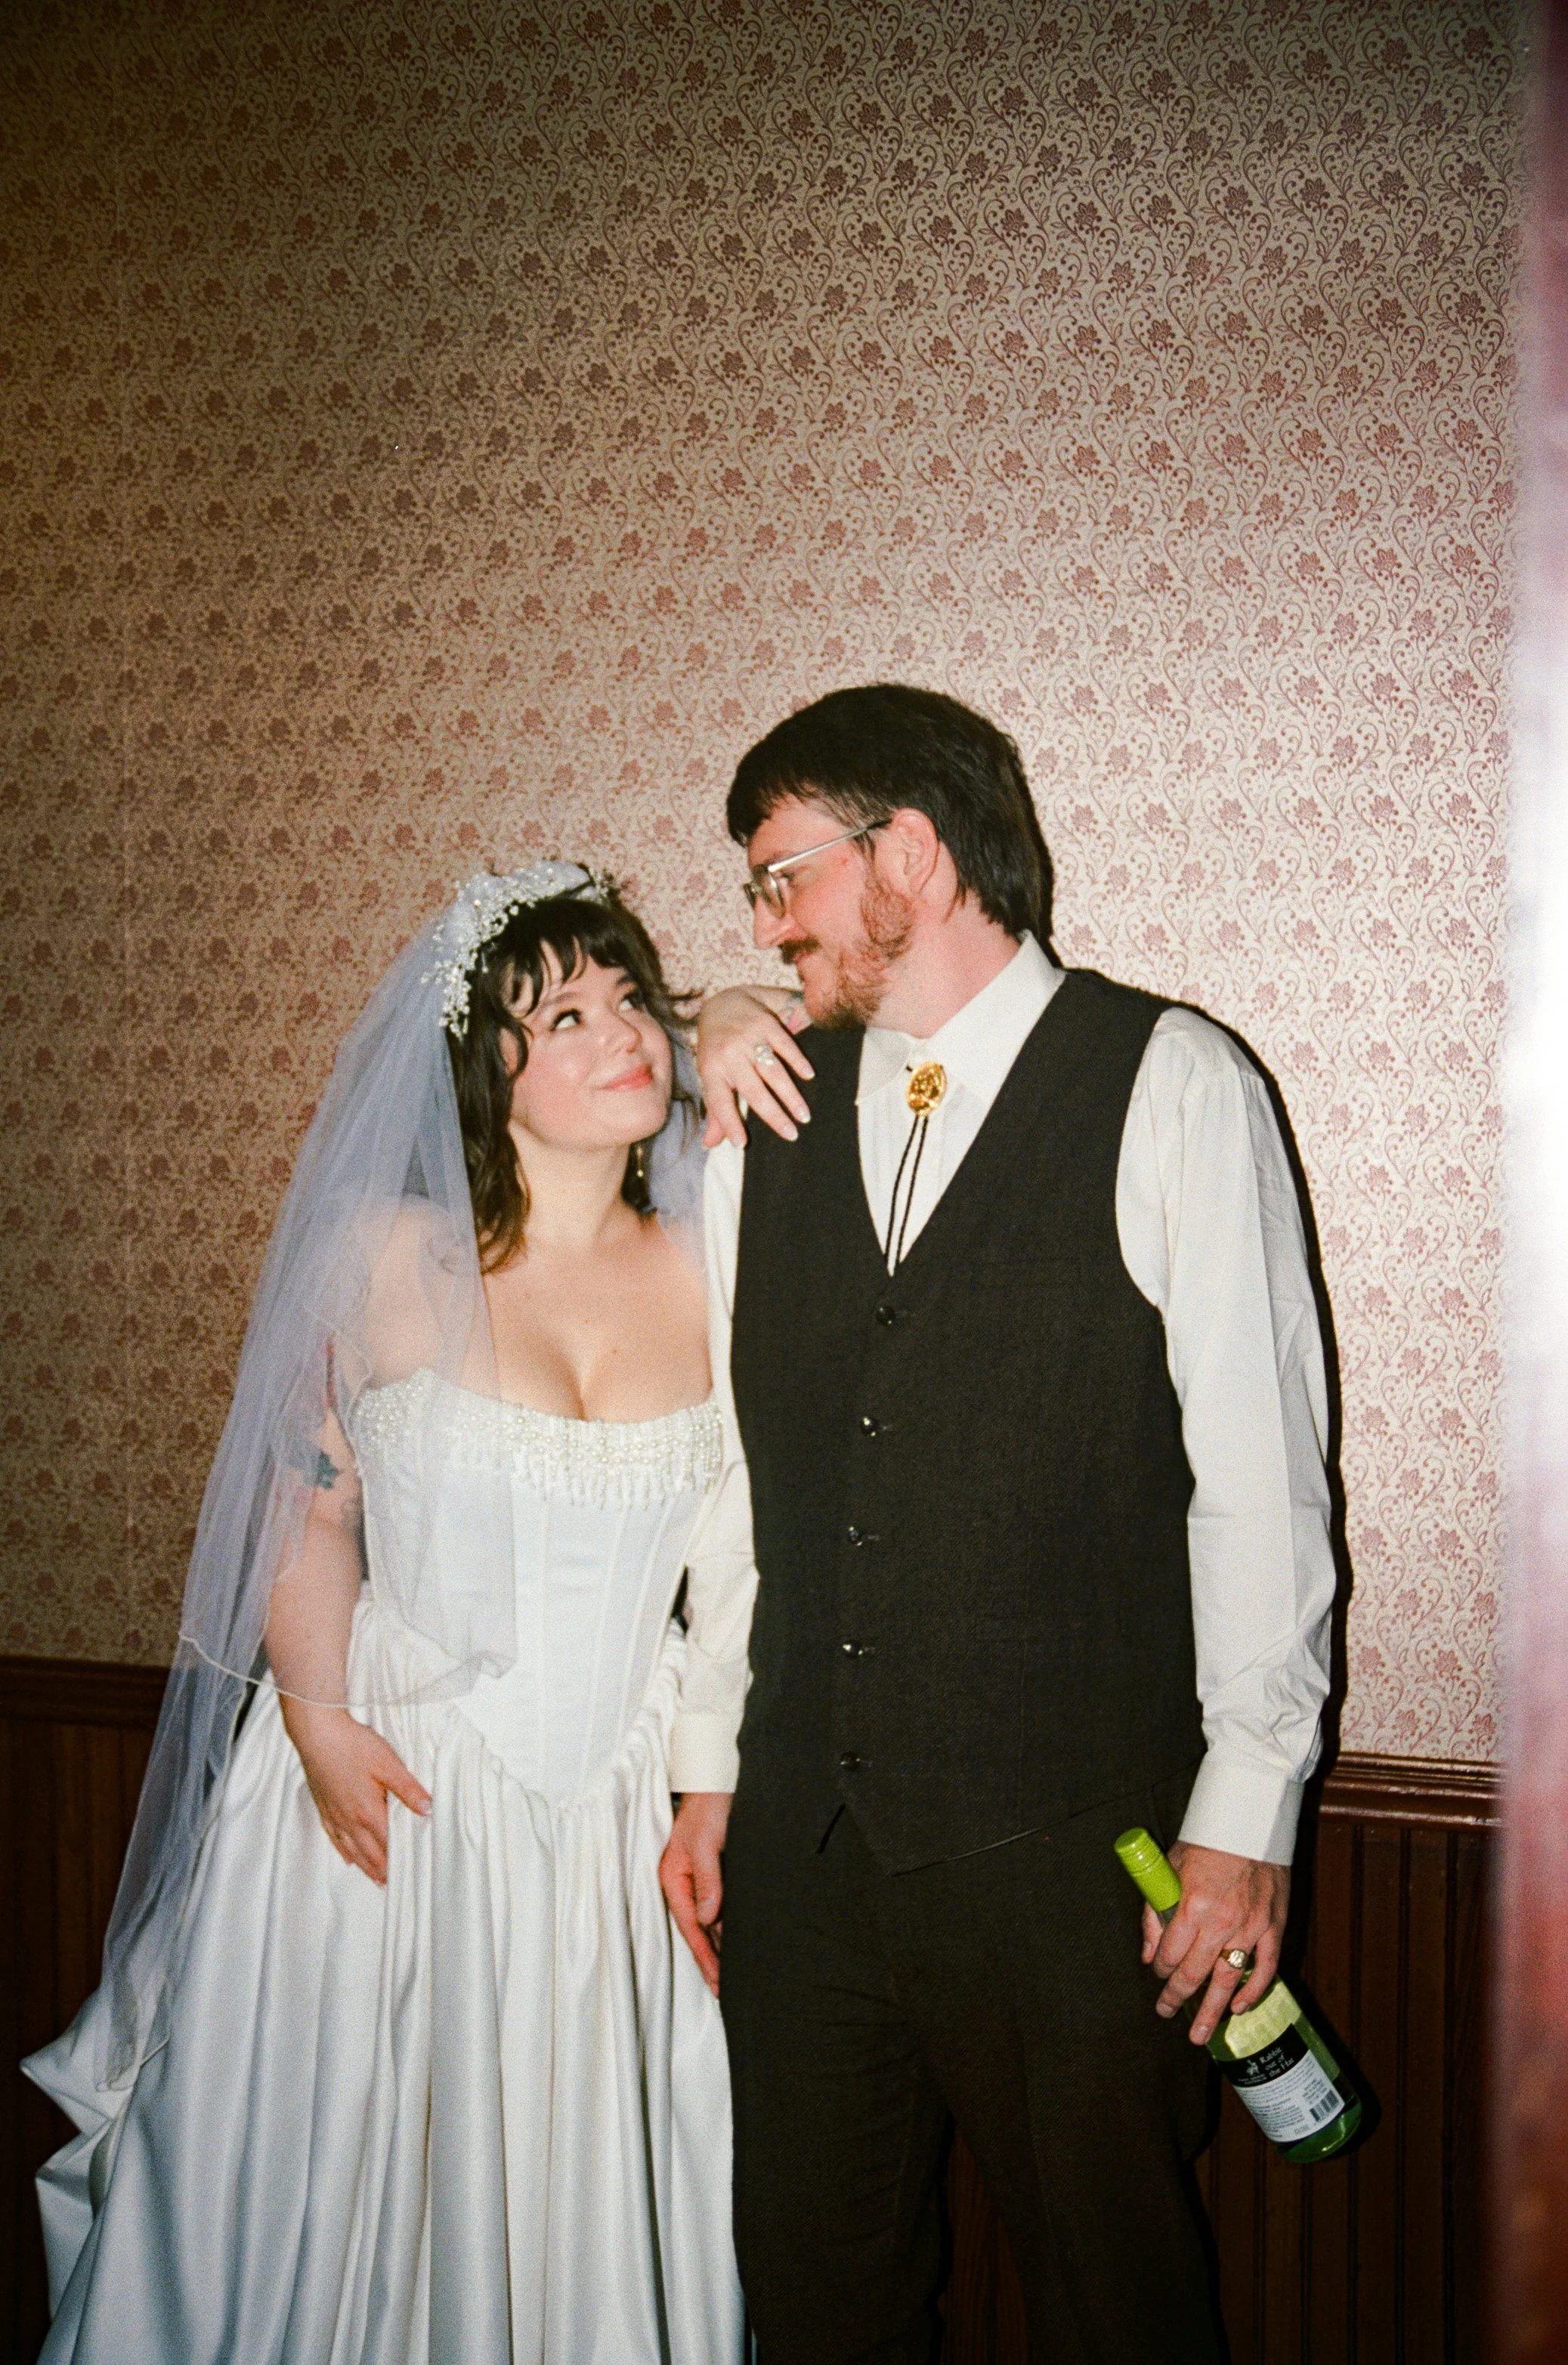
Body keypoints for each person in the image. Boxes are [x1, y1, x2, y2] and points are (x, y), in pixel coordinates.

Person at [660, 684, 1336, 2363]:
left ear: (911, 849)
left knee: (1118, 2301)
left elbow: (1263, 1475)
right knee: (817, 2308)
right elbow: (743, 1474)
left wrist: (1243, 1813)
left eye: (781, 874)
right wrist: (707, 1768)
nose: (764, 920)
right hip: (805, 1855)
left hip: (1065, 1858)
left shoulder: (1169, 1081)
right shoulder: (770, 1117)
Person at [26, 863, 748, 2365]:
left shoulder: (718, 1254)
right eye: (563, 1013)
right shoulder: (388, 1259)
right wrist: (314, 1713)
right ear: (480, 1068)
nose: (619, 1034)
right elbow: (311, 1502)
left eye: (633, 999)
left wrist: (732, 1005)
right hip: (391, 1791)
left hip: (618, 1824)